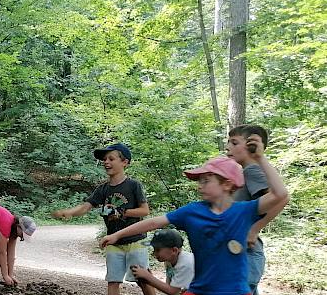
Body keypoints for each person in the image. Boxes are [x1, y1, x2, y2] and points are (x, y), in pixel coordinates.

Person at [100, 149, 289, 295]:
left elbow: (280, 194)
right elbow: (153, 223)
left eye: (206, 180)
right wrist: (117, 235)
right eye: (199, 180)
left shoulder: (243, 210)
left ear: (227, 184)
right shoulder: (192, 211)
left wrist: (260, 158)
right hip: (200, 290)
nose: (200, 185)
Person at [51, 143, 156, 295]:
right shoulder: (103, 189)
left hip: (135, 240)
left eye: (111, 159)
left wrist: (121, 212)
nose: (106, 162)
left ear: (124, 162)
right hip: (113, 242)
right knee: (113, 280)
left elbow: (144, 211)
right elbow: (86, 207)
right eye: (105, 159)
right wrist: (69, 212)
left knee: (142, 279)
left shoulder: (133, 185)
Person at [226, 125, 287, 295]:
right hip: (241, 254)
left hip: (248, 254)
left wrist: (254, 229)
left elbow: (282, 198)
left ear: (251, 145)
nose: (228, 147)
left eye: (234, 142)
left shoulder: (252, 170)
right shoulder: (244, 173)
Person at [130, 229, 194, 295]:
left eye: (157, 250)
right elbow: (170, 286)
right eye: (154, 249)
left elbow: (173, 291)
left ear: (174, 250)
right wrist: (146, 279)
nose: (154, 253)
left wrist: (148, 276)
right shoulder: (169, 260)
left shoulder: (185, 263)